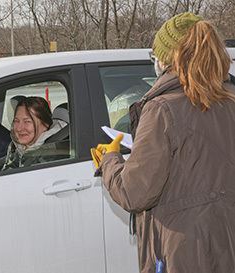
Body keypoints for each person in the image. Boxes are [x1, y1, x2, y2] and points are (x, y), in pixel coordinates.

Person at [90, 12, 235, 273]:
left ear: (168, 59)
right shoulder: (231, 100)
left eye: (154, 56)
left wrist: (111, 159)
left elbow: (134, 193)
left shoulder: (162, 109)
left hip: (185, 251)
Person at [2, 96, 68, 169]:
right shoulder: (15, 146)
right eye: (16, 121)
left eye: (27, 121)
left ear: (45, 125)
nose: (19, 128)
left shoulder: (52, 156)